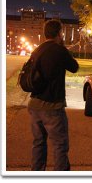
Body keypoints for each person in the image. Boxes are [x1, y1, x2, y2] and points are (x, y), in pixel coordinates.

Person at [27, 19, 79, 171]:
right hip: (52, 107)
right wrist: (63, 46)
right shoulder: (59, 50)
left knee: (38, 143)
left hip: (34, 105)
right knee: (60, 146)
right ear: (59, 33)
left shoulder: (37, 50)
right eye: (61, 32)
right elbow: (74, 67)